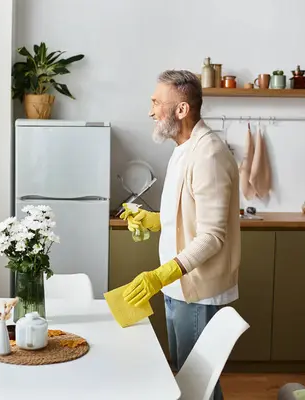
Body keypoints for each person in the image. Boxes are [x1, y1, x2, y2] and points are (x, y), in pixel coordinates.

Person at [120, 70, 240, 400]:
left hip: (196, 290)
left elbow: (212, 235)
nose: (150, 111)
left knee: (197, 385)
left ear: (182, 110)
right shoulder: (183, 150)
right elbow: (187, 216)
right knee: (184, 377)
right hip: (177, 287)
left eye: (157, 102)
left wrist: (164, 272)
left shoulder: (209, 154)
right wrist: (152, 220)